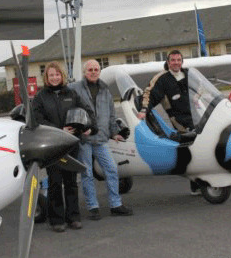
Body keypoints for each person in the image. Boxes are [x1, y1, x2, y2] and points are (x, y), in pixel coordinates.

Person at [31, 62, 95, 232]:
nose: (54, 78)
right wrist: (59, 130)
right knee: (55, 183)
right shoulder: (41, 97)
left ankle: (73, 217)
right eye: (51, 75)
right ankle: (56, 220)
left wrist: (89, 126)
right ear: (47, 77)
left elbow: (86, 111)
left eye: (57, 74)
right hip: (52, 146)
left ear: (62, 76)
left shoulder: (71, 93)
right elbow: (37, 119)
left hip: (70, 145)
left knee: (71, 182)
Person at [69, 60, 134, 220]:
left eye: (96, 69)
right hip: (84, 139)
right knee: (87, 173)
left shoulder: (105, 90)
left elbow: (111, 115)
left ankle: (115, 204)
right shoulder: (74, 88)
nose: (93, 72)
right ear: (85, 72)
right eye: (90, 69)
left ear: (99, 71)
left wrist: (114, 133)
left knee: (111, 169)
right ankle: (93, 207)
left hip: (101, 138)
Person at [137, 50, 194, 131]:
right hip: (179, 120)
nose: (176, 62)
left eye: (178, 60)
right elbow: (149, 94)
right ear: (168, 62)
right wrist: (144, 110)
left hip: (196, 115)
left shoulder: (189, 73)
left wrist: (196, 98)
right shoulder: (161, 79)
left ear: (182, 61)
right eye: (173, 60)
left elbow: (200, 87)